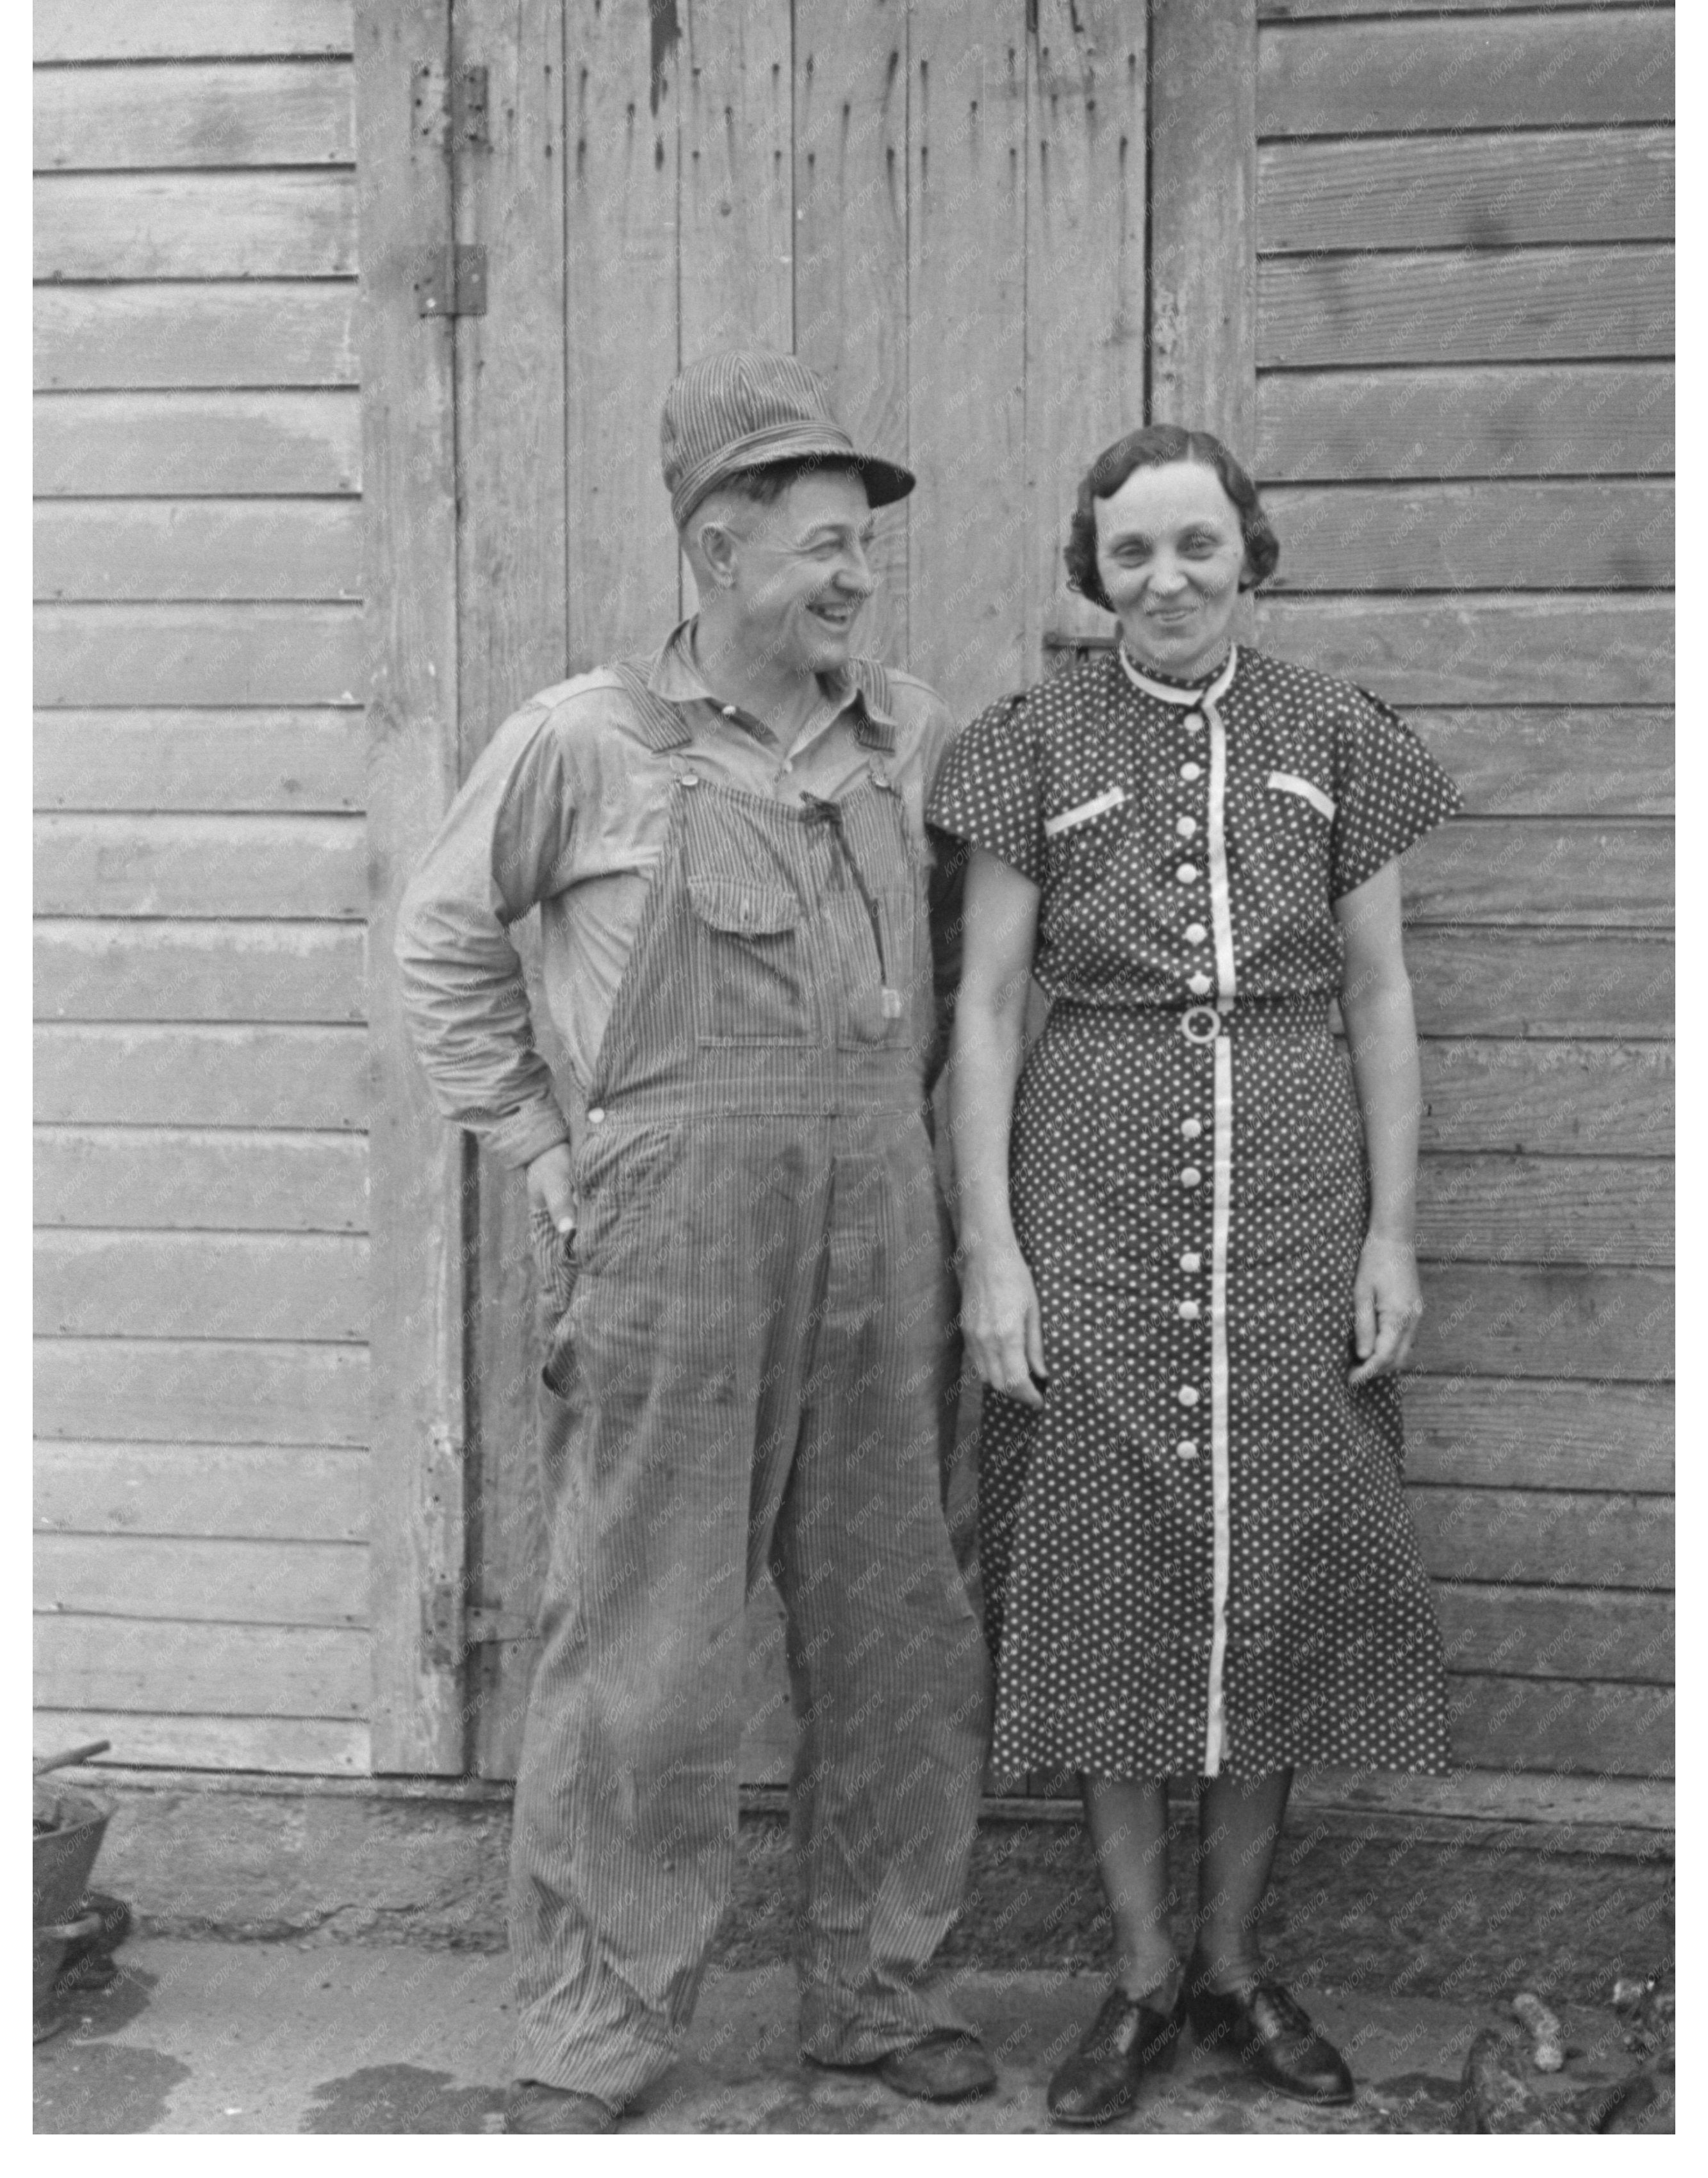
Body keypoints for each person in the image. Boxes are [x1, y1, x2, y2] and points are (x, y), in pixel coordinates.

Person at [396, 350, 992, 2134]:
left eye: (861, 550)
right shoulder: (583, 740)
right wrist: (545, 1149)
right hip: (670, 1241)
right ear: (714, 549)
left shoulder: (915, 737)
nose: (853, 577)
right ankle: (595, 2029)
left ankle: (884, 1990)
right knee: (641, 1638)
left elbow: (966, 977)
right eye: (818, 546)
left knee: (897, 1617)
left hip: (879, 1226)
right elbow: (442, 945)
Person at [928, 424, 1459, 2125]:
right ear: (1093, 568)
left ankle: (1236, 1962)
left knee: (1283, 1566)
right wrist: (989, 1254)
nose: (1167, 581)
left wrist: (1389, 1229)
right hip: (1083, 1192)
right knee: (1108, 1562)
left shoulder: (1335, 739)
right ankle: (1141, 1970)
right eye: (1133, 552)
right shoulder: (1022, 747)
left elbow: (1376, 991)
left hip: (1297, 1201)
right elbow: (986, 1006)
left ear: (1250, 556)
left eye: (1198, 548)